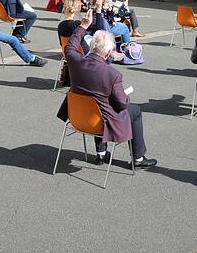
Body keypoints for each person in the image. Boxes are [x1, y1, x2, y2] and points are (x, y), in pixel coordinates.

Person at [56, 9, 157, 168]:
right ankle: (138, 158)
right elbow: (122, 104)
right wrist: (124, 96)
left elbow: (71, 45)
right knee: (134, 110)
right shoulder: (112, 74)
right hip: (99, 121)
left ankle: (101, 153)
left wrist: (83, 25)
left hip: (77, 117)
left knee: (98, 100)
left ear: (92, 45)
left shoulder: (75, 60)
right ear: (109, 52)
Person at [57, 0, 88, 87]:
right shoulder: (77, 24)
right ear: (75, 10)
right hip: (81, 52)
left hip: (67, 54)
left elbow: (61, 43)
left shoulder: (60, 25)